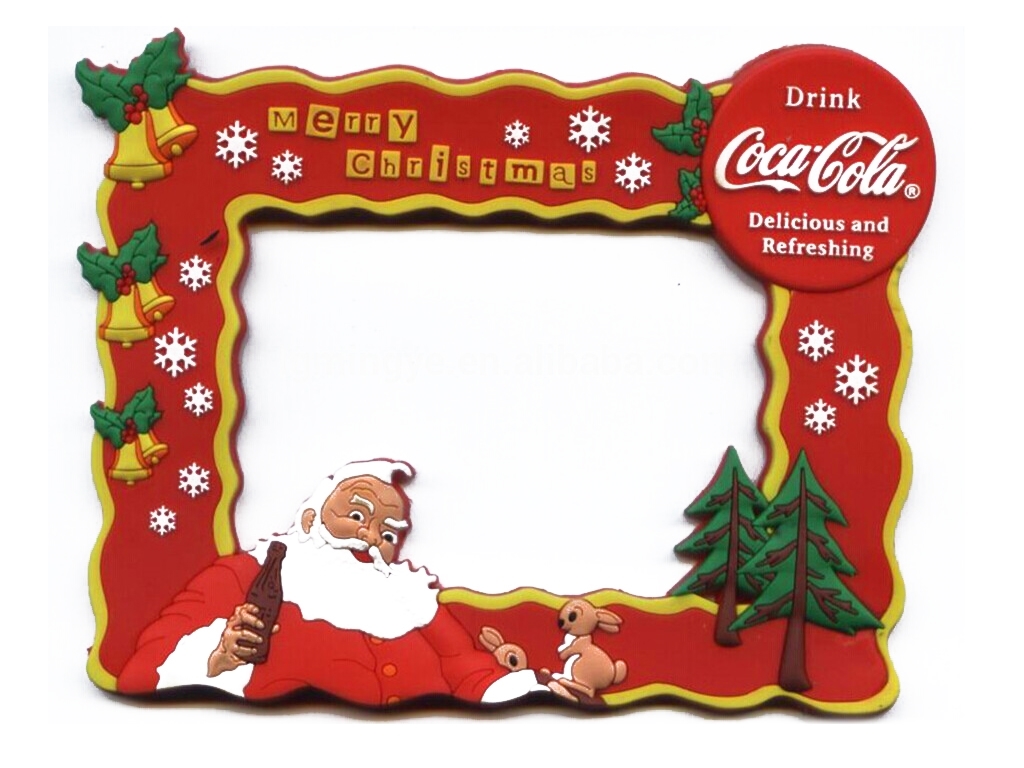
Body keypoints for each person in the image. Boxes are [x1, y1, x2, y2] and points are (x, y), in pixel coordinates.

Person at [118, 459, 546, 705]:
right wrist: (217, 659)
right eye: (357, 516)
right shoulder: (245, 576)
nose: (370, 537)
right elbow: (139, 672)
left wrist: (531, 694)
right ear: (310, 520)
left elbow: (466, 667)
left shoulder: (408, 596)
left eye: (388, 533)